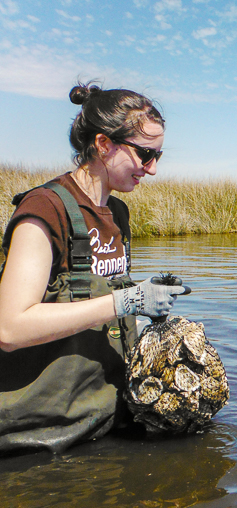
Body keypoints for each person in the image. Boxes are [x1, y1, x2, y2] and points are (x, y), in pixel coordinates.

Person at [0, 83, 187, 454]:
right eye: (144, 154)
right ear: (103, 145)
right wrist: (125, 302)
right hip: (41, 440)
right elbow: (9, 327)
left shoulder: (118, 213)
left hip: (107, 424)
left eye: (158, 156)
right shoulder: (45, 208)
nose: (151, 169)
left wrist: (148, 302)